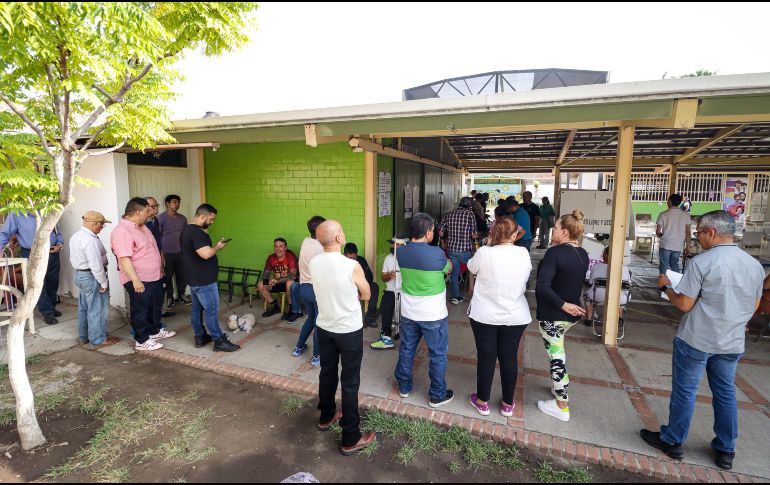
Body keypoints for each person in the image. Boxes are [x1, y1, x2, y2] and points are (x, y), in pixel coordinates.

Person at [641, 210, 764, 471]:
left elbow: (684, 303)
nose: (698, 239)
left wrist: (666, 287)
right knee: (726, 393)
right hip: (731, 341)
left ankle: (673, 440)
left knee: (686, 391)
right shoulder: (753, 265)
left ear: (712, 233)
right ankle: (726, 449)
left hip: (696, 339)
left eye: (699, 234)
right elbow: (753, 305)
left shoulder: (702, 263)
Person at [310, 220, 375, 455]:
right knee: (350, 382)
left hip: (324, 327)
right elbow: (366, 293)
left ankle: (326, 417)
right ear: (338, 238)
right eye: (342, 231)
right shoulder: (351, 265)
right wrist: (354, 293)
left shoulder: (313, 262)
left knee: (327, 372)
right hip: (348, 330)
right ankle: (350, 437)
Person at [466, 218, 531, 417]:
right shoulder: (523, 253)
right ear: (513, 235)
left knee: (486, 358)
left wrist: (488, 243)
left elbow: (471, 268)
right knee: (509, 358)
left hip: (484, 315)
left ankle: (483, 401)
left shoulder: (484, 252)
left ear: (493, 232)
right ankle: (507, 404)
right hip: (515, 316)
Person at [394, 213, 454, 408]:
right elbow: (448, 269)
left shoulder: (401, 252)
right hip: (433, 314)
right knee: (437, 354)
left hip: (409, 312)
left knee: (407, 348)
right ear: (428, 232)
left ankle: (404, 387)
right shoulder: (437, 253)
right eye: (433, 231)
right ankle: (437, 394)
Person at [535, 210, 589, 422]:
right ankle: (560, 387)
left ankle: (561, 405)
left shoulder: (554, 254)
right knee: (559, 352)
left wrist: (563, 305)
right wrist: (568, 305)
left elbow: (542, 286)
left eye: (555, 227)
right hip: (570, 315)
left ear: (565, 232)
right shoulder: (582, 253)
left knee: (557, 357)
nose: (552, 230)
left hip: (554, 315)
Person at [110, 198, 176, 351]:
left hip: (154, 276)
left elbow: (151, 249)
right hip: (139, 279)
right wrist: (136, 281)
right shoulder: (122, 231)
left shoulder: (142, 227)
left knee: (154, 306)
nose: (150, 214)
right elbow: (124, 258)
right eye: (147, 211)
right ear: (138, 212)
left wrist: (160, 269)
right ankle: (141, 339)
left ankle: (153, 331)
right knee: (140, 309)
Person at [180, 203, 240, 352]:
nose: (212, 222)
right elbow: (206, 254)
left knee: (196, 309)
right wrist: (217, 247)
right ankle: (218, 340)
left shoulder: (189, 230)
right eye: (211, 219)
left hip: (195, 278)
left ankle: (200, 337)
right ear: (202, 216)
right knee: (211, 310)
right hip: (204, 280)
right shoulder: (195, 232)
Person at [0, 212, 64, 325]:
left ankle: (51, 306)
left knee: (53, 280)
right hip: (32, 252)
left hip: (52, 251)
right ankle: (47, 311)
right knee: (38, 282)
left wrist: (60, 243)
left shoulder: (47, 209)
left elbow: (57, 231)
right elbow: (4, 234)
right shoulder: (16, 214)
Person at [69, 211, 119, 349]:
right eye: (102, 224)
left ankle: (84, 337)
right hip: (92, 276)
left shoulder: (77, 236)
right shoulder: (89, 239)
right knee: (97, 308)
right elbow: (96, 264)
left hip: (81, 275)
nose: (102, 227)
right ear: (95, 223)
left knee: (84, 308)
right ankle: (98, 339)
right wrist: (103, 282)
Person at [292, 216, 326, 366]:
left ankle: (298, 348)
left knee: (311, 319)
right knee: (318, 322)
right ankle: (317, 356)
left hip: (304, 288)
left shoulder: (306, 241)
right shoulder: (322, 248)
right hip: (316, 290)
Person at [438, 197, 477, 305]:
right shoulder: (470, 214)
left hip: (451, 249)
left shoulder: (449, 214)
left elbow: (440, 232)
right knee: (473, 270)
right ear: (469, 206)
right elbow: (474, 234)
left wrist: (443, 241)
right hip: (465, 250)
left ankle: (456, 297)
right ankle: (473, 291)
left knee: (455, 273)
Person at [583, 246, 631, 328]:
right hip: (620, 298)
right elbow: (628, 284)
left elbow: (590, 282)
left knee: (587, 297)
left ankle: (589, 318)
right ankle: (619, 317)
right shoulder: (625, 268)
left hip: (598, 296)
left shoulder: (597, 266)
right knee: (621, 296)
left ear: (605, 255)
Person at [370, 237, 405, 350]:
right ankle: (386, 336)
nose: (391, 246)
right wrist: (389, 275)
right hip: (391, 290)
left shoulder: (409, 258)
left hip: (405, 291)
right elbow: (383, 277)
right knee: (386, 304)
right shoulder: (388, 258)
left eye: (395, 244)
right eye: (391, 244)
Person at [158, 194, 190, 309]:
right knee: (167, 277)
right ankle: (170, 298)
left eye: (178, 202)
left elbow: (186, 235)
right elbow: (157, 237)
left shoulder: (182, 218)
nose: (177, 204)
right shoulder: (160, 218)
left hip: (181, 252)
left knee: (182, 275)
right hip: (166, 253)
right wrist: (160, 254)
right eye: (174, 202)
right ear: (167, 204)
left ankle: (181, 295)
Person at [145, 197, 174, 319]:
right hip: (147, 263)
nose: (156, 208)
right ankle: (150, 320)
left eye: (157, 205)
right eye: (153, 206)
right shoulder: (141, 224)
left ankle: (160, 314)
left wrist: (162, 258)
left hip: (158, 257)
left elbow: (158, 241)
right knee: (148, 294)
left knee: (161, 286)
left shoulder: (155, 220)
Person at [259, 238, 302, 321]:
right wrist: (269, 280)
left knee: (289, 283)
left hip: (290, 282)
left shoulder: (290, 257)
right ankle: (274, 306)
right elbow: (264, 275)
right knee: (261, 284)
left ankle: (291, 309)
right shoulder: (271, 258)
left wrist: (277, 280)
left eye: (281, 246)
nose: (278, 249)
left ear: (285, 248)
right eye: (276, 246)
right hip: (277, 282)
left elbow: (293, 276)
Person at [343, 243, 379, 327]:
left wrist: (361, 286)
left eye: (354, 257)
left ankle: (370, 317)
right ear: (344, 255)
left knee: (374, 286)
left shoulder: (361, 260)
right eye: (349, 258)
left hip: (360, 285)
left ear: (357, 255)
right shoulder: (341, 263)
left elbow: (370, 276)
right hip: (347, 287)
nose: (352, 260)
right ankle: (347, 318)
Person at [656, 194, 691, 276]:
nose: (667, 202)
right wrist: (687, 247)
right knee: (674, 264)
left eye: (668, 201)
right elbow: (688, 233)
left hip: (665, 244)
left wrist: (661, 236)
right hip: (678, 245)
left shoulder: (663, 214)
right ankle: (676, 285)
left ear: (671, 202)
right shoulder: (685, 215)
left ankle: (663, 285)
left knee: (664, 265)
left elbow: (658, 231)